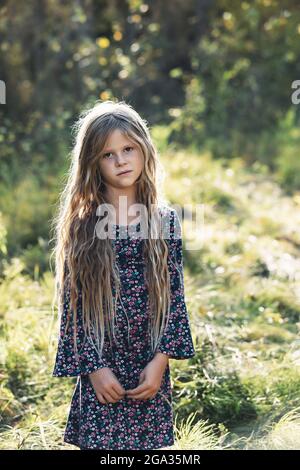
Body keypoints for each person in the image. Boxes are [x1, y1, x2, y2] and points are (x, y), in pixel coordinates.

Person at [51, 99, 195, 450]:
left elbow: (174, 296)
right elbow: (74, 306)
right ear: (93, 163)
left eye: (128, 148)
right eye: (108, 154)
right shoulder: (84, 225)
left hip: (148, 362)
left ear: (144, 149)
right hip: (102, 364)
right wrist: (94, 368)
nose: (121, 161)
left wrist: (161, 361)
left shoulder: (164, 221)